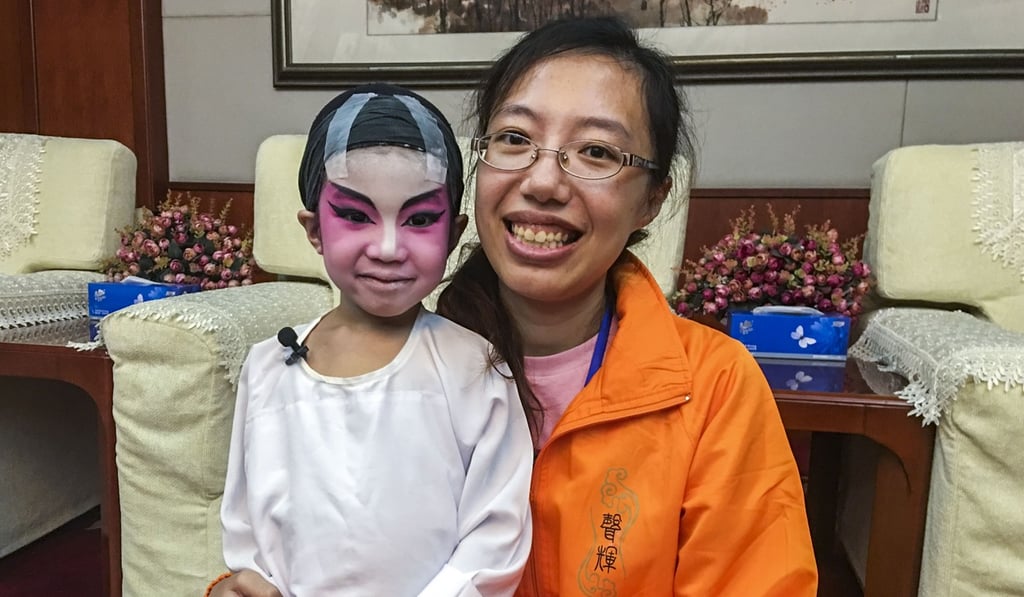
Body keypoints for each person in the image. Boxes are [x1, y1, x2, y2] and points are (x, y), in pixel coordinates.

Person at [435, 16, 818, 596]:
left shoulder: (712, 387)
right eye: (514, 139)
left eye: (595, 151)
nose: (542, 181)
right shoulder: (399, 367)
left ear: (652, 201)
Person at [206, 84, 533, 597]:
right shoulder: (267, 367)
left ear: (454, 232)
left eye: (420, 220)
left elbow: (496, 538)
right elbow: (247, 525)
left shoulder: (477, 368)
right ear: (314, 230)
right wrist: (240, 584)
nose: (386, 248)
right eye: (355, 216)